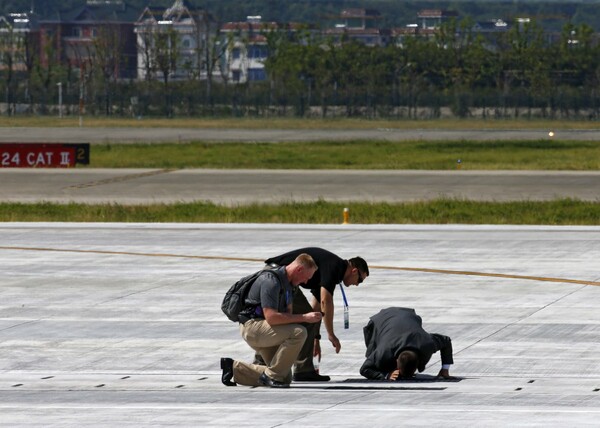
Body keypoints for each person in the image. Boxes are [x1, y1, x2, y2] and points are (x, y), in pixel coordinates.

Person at [264, 247, 369, 382]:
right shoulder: (335, 267)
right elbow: (326, 301)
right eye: (359, 280)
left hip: (275, 275)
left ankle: (264, 361)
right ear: (354, 271)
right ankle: (303, 370)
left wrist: (316, 339)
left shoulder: (333, 269)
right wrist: (331, 334)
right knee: (302, 319)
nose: (357, 284)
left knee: (303, 319)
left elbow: (316, 309)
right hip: (277, 276)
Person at [220, 253, 322, 388]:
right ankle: (271, 376)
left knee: (284, 377)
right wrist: (304, 317)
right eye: (306, 277)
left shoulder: (289, 285)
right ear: (299, 270)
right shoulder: (271, 281)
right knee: (299, 332)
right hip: (253, 327)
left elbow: (287, 315)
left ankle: (233, 369)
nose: (306, 282)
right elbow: (272, 317)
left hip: (266, 329)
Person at [360, 307, 455, 381]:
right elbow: (365, 369)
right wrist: (385, 375)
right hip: (381, 319)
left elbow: (446, 341)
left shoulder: (426, 343)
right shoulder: (383, 350)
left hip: (408, 316)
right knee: (377, 362)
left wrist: (444, 370)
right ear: (396, 361)